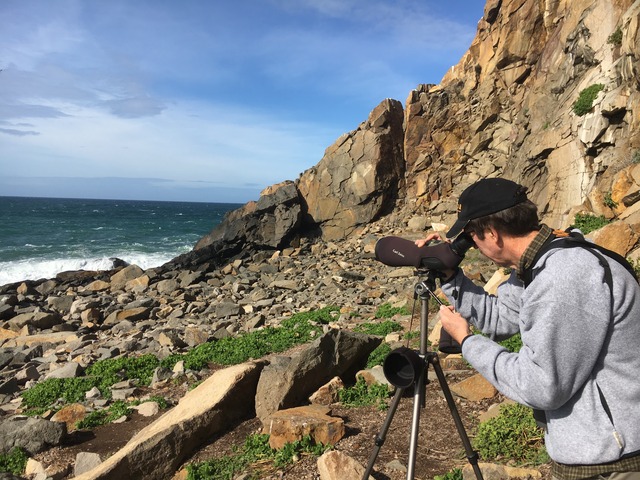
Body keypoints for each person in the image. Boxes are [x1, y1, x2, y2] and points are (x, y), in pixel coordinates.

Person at [416, 178, 640, 480]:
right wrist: (451, 276)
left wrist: (467, 342)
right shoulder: (540, 262)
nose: (474, 247)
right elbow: (501, 318)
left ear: (492, 233)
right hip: (596, 447)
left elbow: (541, 385)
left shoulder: (563, 276)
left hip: (613, 460)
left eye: (471, 237)